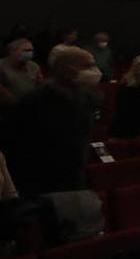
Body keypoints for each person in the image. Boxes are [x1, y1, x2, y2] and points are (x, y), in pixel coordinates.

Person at [0, 45, 99, 195]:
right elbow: (15, 142)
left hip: (74, 177)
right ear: (68, 69)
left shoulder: (86, 97)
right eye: (87, 66)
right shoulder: (36, 100)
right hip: (41, 182)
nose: (94, 71)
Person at [0, 39, 41, 108]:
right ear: (12, 51)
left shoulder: (34, 66)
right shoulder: (1, 66)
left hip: (31, 106)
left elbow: (39, 84)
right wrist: (18, 103)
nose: (30, 53)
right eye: (26, 50)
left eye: (31, 50)